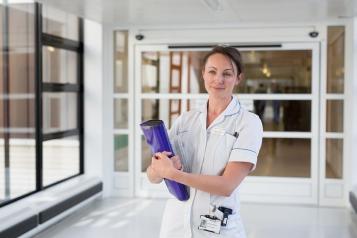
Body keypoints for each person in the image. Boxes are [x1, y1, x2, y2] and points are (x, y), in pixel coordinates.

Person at [146, 46, 263, 238]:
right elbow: (153, 176)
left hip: (217, 228)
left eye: (227, 73)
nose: (218, 79)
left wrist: (173, 174)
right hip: (175, 225)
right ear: (203, 75)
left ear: (238, 78)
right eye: (212, 72)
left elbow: (227, 186)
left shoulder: (248, 123)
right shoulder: (186, 119)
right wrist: (158, 170)